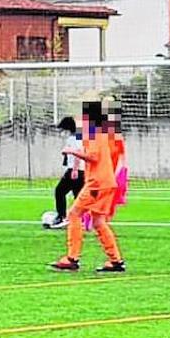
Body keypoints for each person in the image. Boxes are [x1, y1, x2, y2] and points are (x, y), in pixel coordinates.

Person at [50, 100, 125, 273]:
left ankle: (72, 258)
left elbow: (93, 156)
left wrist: (71, 151)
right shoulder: (103, 133)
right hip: (107, 182)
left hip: (96, 184)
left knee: (73, 214)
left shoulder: (92, 132)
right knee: (99, 221)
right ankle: (116, 261)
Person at [49, 116, 84, 230]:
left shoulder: (74, 138)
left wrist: (74, 169)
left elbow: (78, 154)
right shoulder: (77, 137)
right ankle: (80, 219)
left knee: (59, 191)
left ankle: (61, 216)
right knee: (77, 195)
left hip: (74, 170)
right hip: (80, 171)